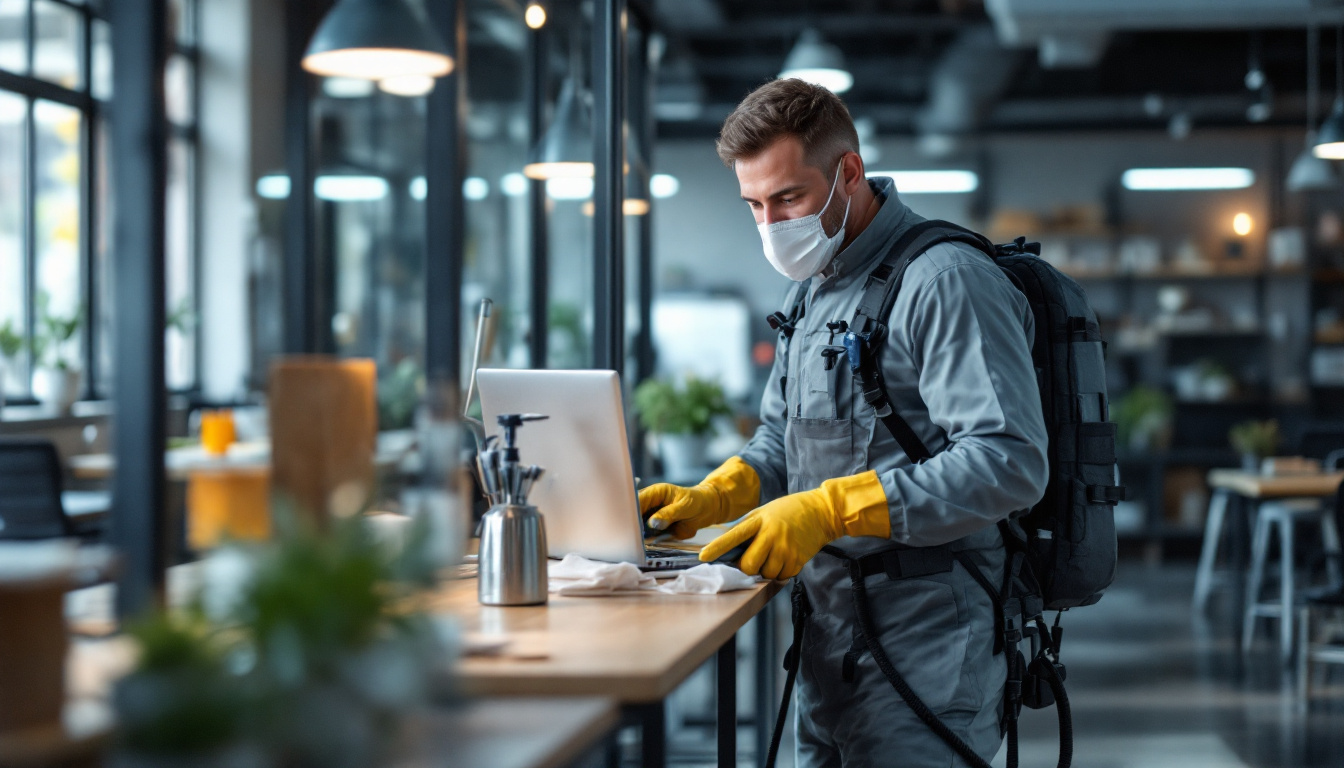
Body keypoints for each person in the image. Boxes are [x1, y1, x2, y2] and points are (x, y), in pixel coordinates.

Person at [638, 78, 1049, 767]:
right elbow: (782, 436)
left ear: (848, 172)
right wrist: (721, 492)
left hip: (929, 649)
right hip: (830, 642)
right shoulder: (812, 290)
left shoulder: (944, 280)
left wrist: (833, 508)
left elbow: (1008, 459)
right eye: (755, 206)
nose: (771, 223)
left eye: (789, 198)